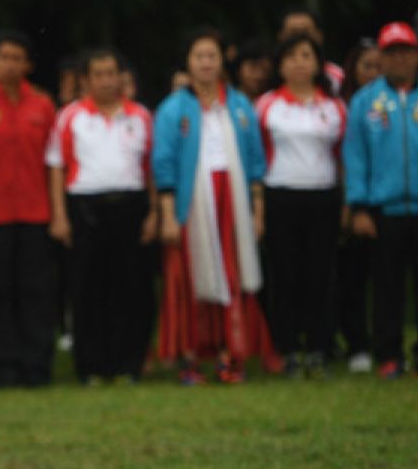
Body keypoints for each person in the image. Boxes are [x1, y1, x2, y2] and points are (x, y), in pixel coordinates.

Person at [153, 29, 275, 385]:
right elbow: (163, 163)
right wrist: (168, 214)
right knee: (188, 279)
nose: (206, 63)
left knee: (233, 274)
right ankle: (189, 359)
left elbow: (255, 162)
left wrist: (257, 210)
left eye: (212, 56)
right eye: (199, 56)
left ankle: (230, 354)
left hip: (232, 200)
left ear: (222, 62)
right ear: (188, 63)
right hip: (192, 203)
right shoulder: (173, 109)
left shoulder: (238, 106)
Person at [47, 48, 157, 385]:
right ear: (86, 80)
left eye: (112, 73)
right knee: (87, 289)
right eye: (99, 74)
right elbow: (56, 168)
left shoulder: (140, 116)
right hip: (85, 207)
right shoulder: (70, 116)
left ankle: (128, 365)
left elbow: (151, 169)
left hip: (130, 206)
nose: (107, 80)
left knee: (130, 287)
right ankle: (90, 367)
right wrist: (60, 215)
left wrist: (153, 212)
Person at [344, 21, 418, 379]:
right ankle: (389, 354)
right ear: (381, 58)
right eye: (392, 53)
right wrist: (360, 207)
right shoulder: (366, 103)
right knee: (386, 287)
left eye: (406, 52)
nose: (399, 59)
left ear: (417, 56)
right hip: (384, 209)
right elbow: (355, 157)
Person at [0, 30, 58, 387]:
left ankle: (37, 364)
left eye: (16, 58)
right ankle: (0, 365)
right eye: (3, 57)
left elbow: (54, 164)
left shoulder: (43, 107)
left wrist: (57, 213)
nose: (9, 64)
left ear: (28, 65)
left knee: (36, 291)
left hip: (35, 213)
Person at [255, 34, 346, 378]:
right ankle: (288, 348)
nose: (299, 63)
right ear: (280, 65)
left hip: (322, 196)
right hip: (281, 195)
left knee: (320, 275)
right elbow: (257, 154)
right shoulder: (266, 105)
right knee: (285, 275)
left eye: (306, 56)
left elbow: (341, 157)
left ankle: (320, 348)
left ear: (317, 64)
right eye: (291, 56)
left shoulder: (333, 107)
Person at [335, 38, 380, 373]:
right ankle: (356, 343)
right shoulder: (343, 107)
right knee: (352, 277)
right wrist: (351, 204)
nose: (375, 73)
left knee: (387, 279)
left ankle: (386, 343)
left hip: (392, 202)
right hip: (352, 201)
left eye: (380, 66)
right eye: (367, 66)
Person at [279, 8, 345, 93]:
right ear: (281, 37)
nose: (299, 39)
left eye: (305, 33)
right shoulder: (264, 74)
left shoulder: (338, 77)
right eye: (293, 33)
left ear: (319, 36)